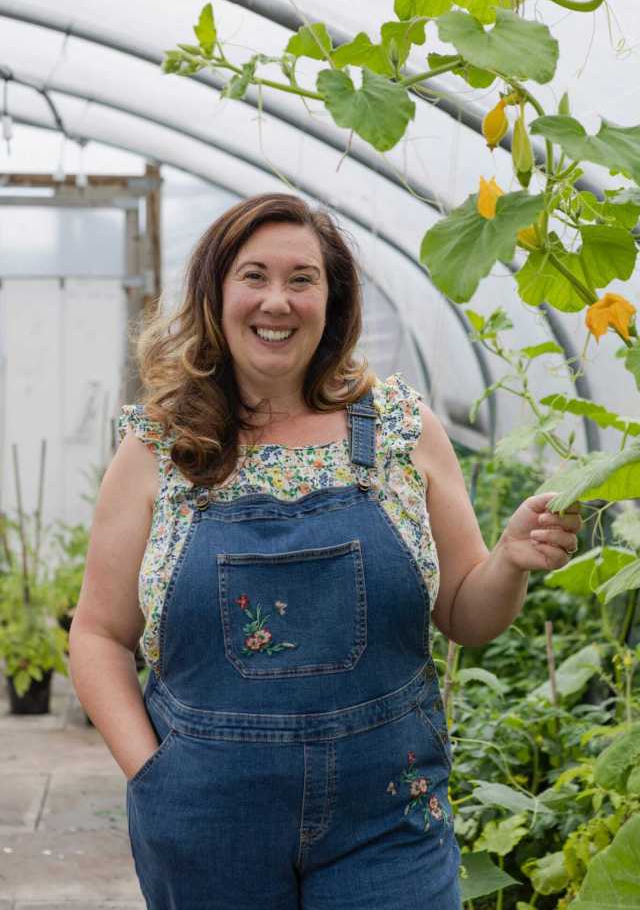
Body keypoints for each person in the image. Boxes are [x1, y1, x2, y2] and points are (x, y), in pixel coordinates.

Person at [69, 193, 582, 909]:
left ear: (332, 299)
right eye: (254, 275)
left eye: (301, 279)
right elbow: (97, 633)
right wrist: (154, 773)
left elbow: (467, 611)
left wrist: (509, 558)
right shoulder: (162, 447)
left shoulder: (402, 429)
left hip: (387, 816)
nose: (277, 301)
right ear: (216, 293)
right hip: (210, 822)